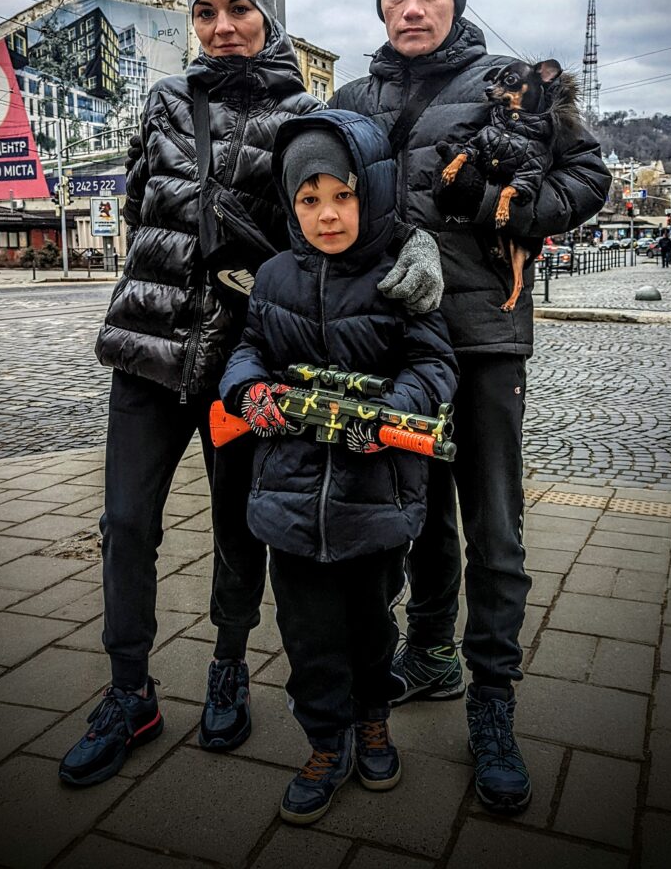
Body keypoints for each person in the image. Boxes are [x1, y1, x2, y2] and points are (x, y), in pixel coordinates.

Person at [58, 0, 443, 788]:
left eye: (239, 8)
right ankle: (130, 691)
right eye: (205, 11)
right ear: (191, 22)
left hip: (246, 356)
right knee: (126, 524)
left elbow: (354, 197)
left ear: (269, 11)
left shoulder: (304, 110)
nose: (224, 26)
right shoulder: (163, 101)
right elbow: (134, 204)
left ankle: (227, 665)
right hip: (150, 348)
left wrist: (411, 243)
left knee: (238, 530)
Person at [330, 0, 611, 814]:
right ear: (379, 4)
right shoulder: (352, 95)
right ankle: (431, 654)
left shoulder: (515, 87)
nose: (411, 8)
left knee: (493, 525)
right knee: (415, 517)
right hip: (390, 342)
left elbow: (588, 180)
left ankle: (493, 700)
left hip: (484, 340)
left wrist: (498, 202)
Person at [219, 110, 458, 824]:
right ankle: (325, 741)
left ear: (372, 192)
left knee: (371, 628)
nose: (327, 214)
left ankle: (373, 717)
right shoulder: (270, 276)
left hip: (374, 501)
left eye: (343, 195)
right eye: (309, 198)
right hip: (288, 503)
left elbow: (433, 362)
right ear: (291, 205)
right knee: (308, 636)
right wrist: (247, 391)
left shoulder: (400, 276)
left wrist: (393, 412)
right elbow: (247, 350)